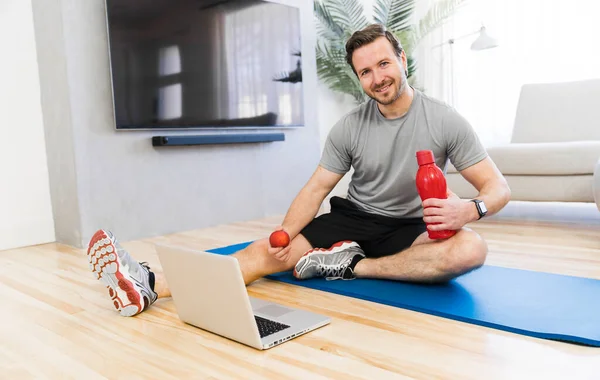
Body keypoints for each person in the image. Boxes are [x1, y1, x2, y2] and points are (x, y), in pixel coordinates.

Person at [87, 24, 510, 317]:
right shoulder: (350, 127)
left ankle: (350, 266)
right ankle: (146, 284)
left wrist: (470, 210)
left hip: (412, 225)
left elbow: (497, 188)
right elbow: (315, 189)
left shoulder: (444, 119)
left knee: (471, 250)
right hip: (354, 219)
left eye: (384, 64)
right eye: (366, 71)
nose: (378, 78)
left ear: (402, 59)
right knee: (262, 255)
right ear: (358, 79)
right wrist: (286, 237)